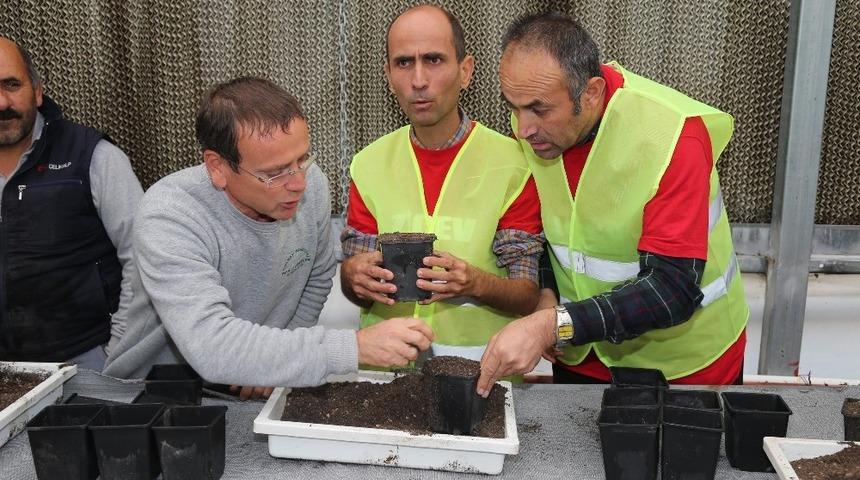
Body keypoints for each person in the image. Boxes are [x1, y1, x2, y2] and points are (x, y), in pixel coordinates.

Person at [103, 77, 433, 399]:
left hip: (247, 390)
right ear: (217, 167)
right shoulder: (171, 214)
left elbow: (315, 279)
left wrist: (271, 365)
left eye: (302, 158)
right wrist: (354, 347)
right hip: (150, 397)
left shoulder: (310, 184)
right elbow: (212, 344)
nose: (299, 183)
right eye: (275, 173)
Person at [477, 13, 749, 395]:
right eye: (513, 106)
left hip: (685, 369)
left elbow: (671, 289)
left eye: (539, 109)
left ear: (590, 93)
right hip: (581, 354)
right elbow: (552, 230)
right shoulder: (538, 127)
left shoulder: (673, 137)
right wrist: (546, 294)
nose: (522, 128)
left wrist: (552, 324)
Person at [341, 4, 544, 361]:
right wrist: (350, 275)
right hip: (387, 379)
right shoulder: (369, 164)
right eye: (404, 63)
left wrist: (476, 283)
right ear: (388, 75)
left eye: (433, 60)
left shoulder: (514, 165)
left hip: (481, 380)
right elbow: (357, 288)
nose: (418, 80)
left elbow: (527, 294)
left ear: (465, 71)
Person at [0, 38, 143, 371]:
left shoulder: (93, 157)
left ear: (37, 91)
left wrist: (116, 352)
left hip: (85, 361)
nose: (2, 102)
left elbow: (144, 257)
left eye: (11, 84)